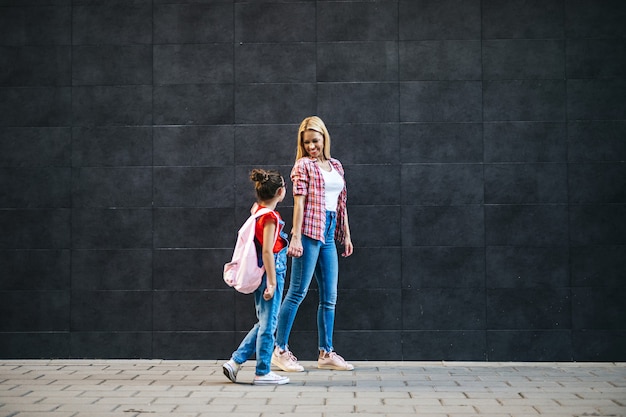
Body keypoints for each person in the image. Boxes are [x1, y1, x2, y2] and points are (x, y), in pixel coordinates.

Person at [272, 116, 354, 372]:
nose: (311, 147)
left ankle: (325, 352)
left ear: (324, 138)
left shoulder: (336, 166)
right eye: (307, 142)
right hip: (308, 232)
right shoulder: (302, 166)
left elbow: (341, 204)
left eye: (315, 141)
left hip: (329, 234)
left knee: (330, 296)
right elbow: (299, 203)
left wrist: (347, 235)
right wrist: (295, 236)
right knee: (297, 293)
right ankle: (279, 349)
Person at [222, 169, 290, 385]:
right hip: (270, 273)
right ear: (280, 192)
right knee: (269, 325)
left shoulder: (258, 211)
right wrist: (272, 282)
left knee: (264, 322)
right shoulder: (270, 217)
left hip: (263, 273)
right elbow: (268, 251)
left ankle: (235, 362)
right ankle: (262, 372)